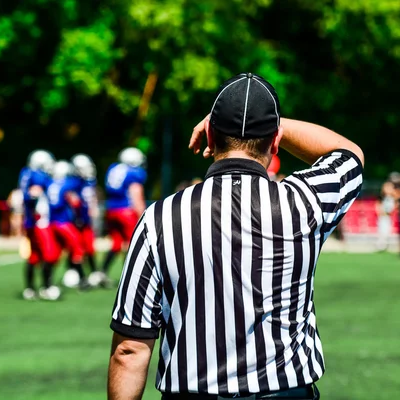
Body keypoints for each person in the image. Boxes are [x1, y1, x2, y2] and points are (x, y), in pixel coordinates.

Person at [108, 72, 364, 399]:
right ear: (275, 140)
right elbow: (348, 153)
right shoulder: (304, 203)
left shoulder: (159, 217)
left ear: (211, 136)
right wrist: (275, 125)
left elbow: (129, 348)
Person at [101, 147, 147, 286]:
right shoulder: (134, 172)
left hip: (111, 210)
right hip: (126, 211)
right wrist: (142, 212)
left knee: (116, 242)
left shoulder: (113, 168)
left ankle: (101, 272)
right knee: (133, 243)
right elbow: (135, 192)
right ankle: (131, 275)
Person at [19, 150, 61, 300]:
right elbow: (34, 195)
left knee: (34, 256)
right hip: (39, 222)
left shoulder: (26, 173)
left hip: (32, 221)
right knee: (49, 254)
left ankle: (30, 288)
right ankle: (46, 286)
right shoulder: (37, 176)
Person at [48, 160, 89, 291]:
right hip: (63, 223)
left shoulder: (50, 183)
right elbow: (75, 202)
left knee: (55, 253)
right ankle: (82, 279)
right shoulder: (67, 184)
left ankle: (48, 282)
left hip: (52, 222)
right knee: (78, 250)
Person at [70, 154, 101, 285]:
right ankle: (76, 273)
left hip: (86, 220)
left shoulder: (89, 181)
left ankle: (94, 272)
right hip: (75, 221)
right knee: (76, 248)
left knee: (89, 247)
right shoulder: (72, 183)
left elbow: (92, 197)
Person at [376, 180, 397, 251]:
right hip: (383, 216)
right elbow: (378, 206)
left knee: (387, 230)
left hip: (388, 216)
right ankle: (381, 245)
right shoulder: (381, 197)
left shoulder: (393, 198)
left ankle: (385, 244)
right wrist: (380, 212)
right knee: (382, 230)